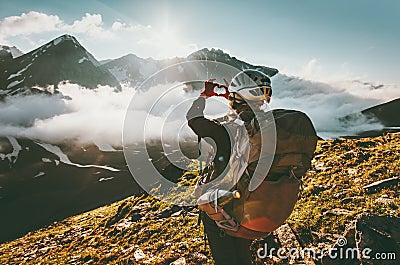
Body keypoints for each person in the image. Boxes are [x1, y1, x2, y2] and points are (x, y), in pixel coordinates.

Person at [186, 70, 273, 265]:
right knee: (242, 253)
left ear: (236, 98)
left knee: (226, 257)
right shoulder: (267, 129)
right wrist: (234, 98)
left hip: (222, 207)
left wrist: (205, 96)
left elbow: (192, 118)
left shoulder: (225, 131)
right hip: (251, 206)